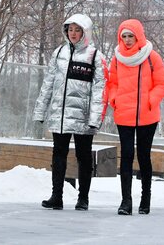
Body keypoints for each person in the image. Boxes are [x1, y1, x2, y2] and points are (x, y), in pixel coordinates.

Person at [32, 13, 106, 211]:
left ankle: (83, 198)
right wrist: (40, 110)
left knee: (83, 157)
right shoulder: (58, 53)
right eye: (70, 29)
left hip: (83, 117)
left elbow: (100, 90)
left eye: (77, 30)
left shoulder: (94, 56)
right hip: (60, 115)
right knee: (58, 155)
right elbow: (48, 83)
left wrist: (95, 118)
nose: (73, 33)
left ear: (85, 32)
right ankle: (57, 196)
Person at [105, 18, 164, 216]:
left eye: (130, 36)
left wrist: (150, 100)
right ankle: (126, 201)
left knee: (143, 157)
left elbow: (163, 84)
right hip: (124, 114)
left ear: (138, 36)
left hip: (147, 116)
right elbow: (111, 83)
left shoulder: (152, 57)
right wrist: (114, 98)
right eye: (123, 36)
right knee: (125, 157)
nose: (127, 40)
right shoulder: (117, 58)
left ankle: (145, 199)